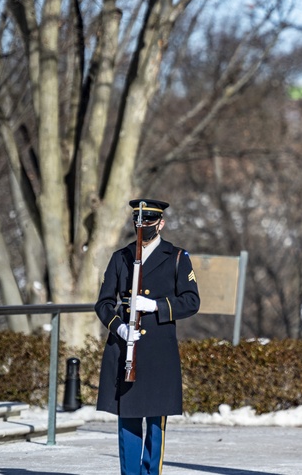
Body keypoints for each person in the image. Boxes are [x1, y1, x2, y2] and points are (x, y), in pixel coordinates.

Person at [94, 198, 201, 475]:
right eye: (138, 222)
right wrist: (118, 326)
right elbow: (104, 303)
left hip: (157, 349)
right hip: (127, 347)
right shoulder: (122, 257)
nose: (142, 228)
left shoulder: (177, 257)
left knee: (156, 422)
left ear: (161, 223)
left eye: (149, 223)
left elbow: (191, 301)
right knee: (128, 419)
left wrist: (155, 305)